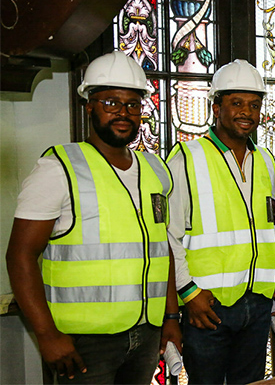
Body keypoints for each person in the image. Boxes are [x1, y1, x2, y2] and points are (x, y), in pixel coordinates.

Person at [5, 50, 181, 384]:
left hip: (146, 333)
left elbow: (163, 248)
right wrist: (46, 335)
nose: (123, 113)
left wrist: (171, 317)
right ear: (89, 105)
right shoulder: (58, 169)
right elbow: (20, 255)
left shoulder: (156, 170)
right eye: (110, 102)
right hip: (82, 341)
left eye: (132, 104)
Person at [166, 59, 275, 384]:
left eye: (254, 105)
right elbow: (169, 236)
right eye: (236, 103)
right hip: (207, 306)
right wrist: (188, 293)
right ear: (216, 106)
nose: (246, 112)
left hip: (258, 303)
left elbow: (273, 229)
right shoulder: (187, 158)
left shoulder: (265, 161)